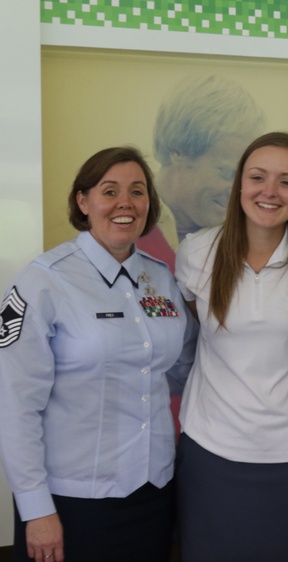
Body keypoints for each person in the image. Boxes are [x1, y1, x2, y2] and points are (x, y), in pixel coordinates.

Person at [0, 147, 197, 562]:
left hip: (152, 491)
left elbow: (180, 366)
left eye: (137, 191)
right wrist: (36, 508)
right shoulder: (43, 281)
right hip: (72, 501)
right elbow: (15, 405)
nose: (125, 203)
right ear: (83, 201)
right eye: (110, 191)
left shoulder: (162, 279)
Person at [173, 132, 288, 562]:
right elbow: (201, 334)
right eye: (258, 177)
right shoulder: (197, 252)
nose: (270, 192)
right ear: (239, 185)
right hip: (211, 450)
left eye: (286, 182)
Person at [138, 74, 266, 270]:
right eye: (226, 173)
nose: (238, 191)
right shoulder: (123, 228)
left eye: (247, 177)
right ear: (178, 151)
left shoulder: (249, 238)